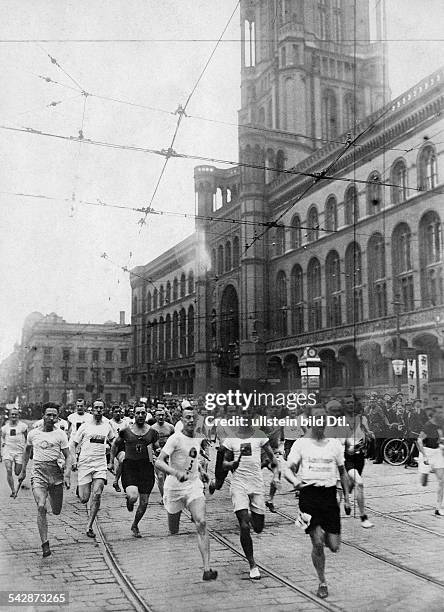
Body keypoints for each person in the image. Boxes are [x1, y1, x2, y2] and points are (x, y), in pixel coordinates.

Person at [284, 404, 350, 599]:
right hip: (309, 496)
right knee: (318, 542)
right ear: (310, 420)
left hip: (329, 497)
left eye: (323, 418)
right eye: (316, 418)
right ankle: (322, 581)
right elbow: (288, 468)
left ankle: (328, 541)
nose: (320, 421)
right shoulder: (301, 444)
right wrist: (296, 481)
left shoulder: (334, 444)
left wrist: (346, 498)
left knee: (334, 545)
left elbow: (342, 471)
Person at [155, 407, 217, 581]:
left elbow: (193, 459)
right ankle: (174, 517)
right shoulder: (175, 438)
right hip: (174, 488)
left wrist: (202, 473)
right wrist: (175, 473)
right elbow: (159, 462)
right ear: (181, 420)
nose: (191, 420)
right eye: (187, 417)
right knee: (173, 530)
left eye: (194, 418)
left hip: (193, 485)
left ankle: (207, 569)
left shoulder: (198, 437)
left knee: (201, 522)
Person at [222, 412, 279, 580]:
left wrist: (276, 474)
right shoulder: (231, 439)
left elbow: (271, 456)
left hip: (256, 485)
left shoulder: (259, 436)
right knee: (244, 525)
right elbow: (224, 464)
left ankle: (253, 517)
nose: (245, 419)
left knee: (259, 527)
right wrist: (231, 463)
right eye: (242, 416)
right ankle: (252, 564)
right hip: (239, 485)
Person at [18, 404, 71, 557]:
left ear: (58, 417)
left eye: (54, 416)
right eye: (48, 415)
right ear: (43, 415)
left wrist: (66, 473)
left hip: (55, 475)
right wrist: (22, 472)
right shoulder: (33, 433)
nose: (51, 418)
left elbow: (68, 456)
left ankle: (51, 498)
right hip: (38, 473)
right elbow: (27, 451)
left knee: (56, 510)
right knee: (41, 506)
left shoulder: (60, 434)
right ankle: (45, 544)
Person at [109, 405, 159, 537]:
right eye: (138, 413)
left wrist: (157, 452)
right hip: (130, 467)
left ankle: (135, 524)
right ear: (134, 415)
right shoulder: (126, 431)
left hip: (146, 468)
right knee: (133, 496)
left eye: (143, 413)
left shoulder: (152, 432)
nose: (141, 415)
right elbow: (115, 445)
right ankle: (129, 500)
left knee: (144, 502)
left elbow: (156, 446)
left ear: (146, 414)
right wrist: (110, 461)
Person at [72, 399, 114, 537]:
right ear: (91, 410)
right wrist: (73, 460)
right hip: (85, 463)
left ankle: (89, 526)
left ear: (104, 409)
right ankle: (81, 488)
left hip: (100, 464)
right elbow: (73, 444)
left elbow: (114, 442)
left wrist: (111, 456)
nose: (98, 410)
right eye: (96, 408)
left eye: (101, 408)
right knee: (84, 498)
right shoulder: (84, 426)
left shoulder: (107, 425)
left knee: (97, 494)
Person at [342, 395, 374, 528]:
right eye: (348, 403)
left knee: (351, 485)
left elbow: (367, 431)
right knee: (359, 483)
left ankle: (346, 498)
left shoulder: (362, 418)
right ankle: (363, 517)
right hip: (346, 457)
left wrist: (370, 436)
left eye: (352, 402)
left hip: (360, 457)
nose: (350, 405)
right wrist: (349, 445)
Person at [417, 405, 444, 516]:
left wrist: (442, 445)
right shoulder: (428, 425)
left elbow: (441, 438)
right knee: (423, 483)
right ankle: (425, 473)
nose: (442, 414)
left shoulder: (441, 424)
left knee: (442, 481)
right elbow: (418, 441)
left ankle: (438, 508)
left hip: (437, 452)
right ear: (434, 414)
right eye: (440, 413)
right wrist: (424, 455)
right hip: (426, 453)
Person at [1, 409, 28, 496]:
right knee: (9, 470)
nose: (14, 416)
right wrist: (3, 442)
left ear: (18, 416)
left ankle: (18, 481)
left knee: (17, 472)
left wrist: (27, 449)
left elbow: (27, 438)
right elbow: (2, 437)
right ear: (9, 415)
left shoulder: (23, 426)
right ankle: (13, 490)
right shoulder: (5, 428)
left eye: (15, 414)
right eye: (12, 414)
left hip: (19, 452)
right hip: (8, 451)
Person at [151, 407, 175, 501]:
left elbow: (175, 441)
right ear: (155, 416)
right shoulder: (152, 428)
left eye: (162, 415)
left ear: (165, 416)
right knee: (160, 476)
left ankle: (170, 494)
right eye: (158, 415)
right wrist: (151, 457)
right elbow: (149, 444)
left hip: (169, 455)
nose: (161, 417)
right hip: (157, 456)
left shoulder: (170, 427)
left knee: (170, 477)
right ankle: (164, 498)